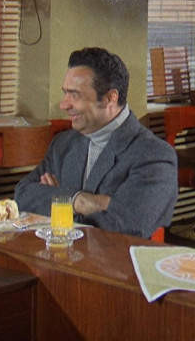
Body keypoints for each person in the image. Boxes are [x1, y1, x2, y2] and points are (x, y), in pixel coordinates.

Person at [14, 47, 178, 239]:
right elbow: (22, 196)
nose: (64, 105)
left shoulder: (154, 155)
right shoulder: (63, 144)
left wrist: (56, 199)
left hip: (117, 257)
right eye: (65, 93)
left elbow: (128, 226)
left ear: (110, 98)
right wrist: (78, 201)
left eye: (75, 95)